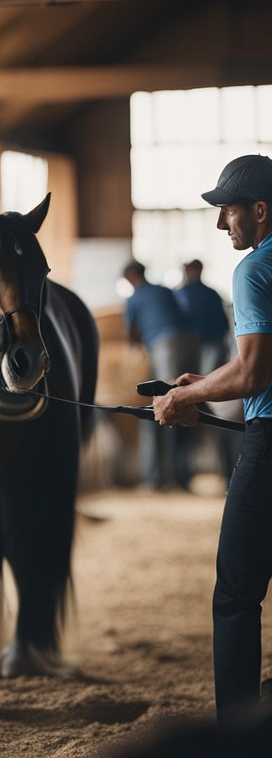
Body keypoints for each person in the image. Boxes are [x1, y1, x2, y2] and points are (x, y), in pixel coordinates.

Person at [153, 153, 272, 720]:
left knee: (236, 595)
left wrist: (184, 398)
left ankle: (238, 729)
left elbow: (253, 374)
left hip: (269, 443)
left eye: (226, 210)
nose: (222, 223)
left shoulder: (254, 270)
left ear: (259, 210)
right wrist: (208, 384)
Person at [122, 260, 199, 490]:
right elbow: (185, 314)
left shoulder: (134, 298)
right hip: (191, 342)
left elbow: (132, 336)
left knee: (167, 407)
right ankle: (182, 475)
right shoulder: (164, 290)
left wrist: (136, 356)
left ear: (129, 276)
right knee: (186, 404)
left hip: (166, 346)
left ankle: (160, 478)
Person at [176, 259, 240, 473]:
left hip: (196, 352)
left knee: (191, 402)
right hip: (210, 352)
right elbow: (225, 327)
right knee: (213, 405)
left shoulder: (182, 294)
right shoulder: (212, 294)